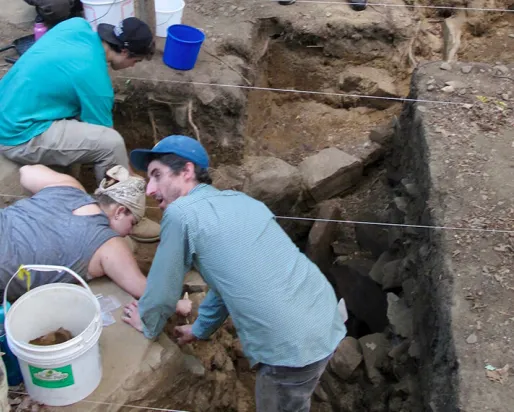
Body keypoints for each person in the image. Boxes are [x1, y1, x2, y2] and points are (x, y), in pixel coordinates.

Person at [121, 135, 347, 412]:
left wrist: (147, 322)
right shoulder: (240, 200)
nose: (150, 189)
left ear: (187, 171)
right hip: (324, 314)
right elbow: (228, 284)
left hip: (290, 344)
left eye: (156, 175)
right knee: (299, 395)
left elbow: (163, 287)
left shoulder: (181, 213)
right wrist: (200, 329)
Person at [0, 16, 159, 242]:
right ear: (124, 52)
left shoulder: (76, 26)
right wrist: (130, 177)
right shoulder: (95, 80)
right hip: (18, 134)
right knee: (110, 143)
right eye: (137, 60)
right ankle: (125, 211)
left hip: (8, 108)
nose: (134, 66)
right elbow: (105, 138)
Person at [0, 164, 164, 304]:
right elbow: (146, 291)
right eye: (133, 223)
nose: (130, 231)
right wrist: (180, 304)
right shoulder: (109, 245)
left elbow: (27, 171)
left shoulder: (69, 186)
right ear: (120, 211)